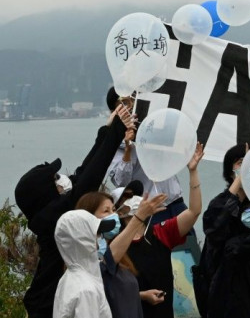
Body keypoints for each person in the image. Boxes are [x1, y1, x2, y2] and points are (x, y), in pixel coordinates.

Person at [15, 104, 135, 318]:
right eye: (55, 180)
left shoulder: (51, 212)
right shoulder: (53, 219)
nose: (63, 179)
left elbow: (81, 175)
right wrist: (116, 129)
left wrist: (106, 131)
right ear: (45, 194)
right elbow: (88, 182)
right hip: (47, 307)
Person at [120, 142, 204, 318]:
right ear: (117, 210)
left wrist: (193, 171)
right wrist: (141, 296)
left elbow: (194, 211)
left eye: (135, 194)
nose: (134, 199)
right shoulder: (113, 244)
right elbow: (106, 288)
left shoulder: (159, 232)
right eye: (126, 197)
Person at [75, 191, 168, 318]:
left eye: (113, 210)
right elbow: (107, 264)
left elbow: (112, 293)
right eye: (106, 211)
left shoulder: (115, 250)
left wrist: (141, 295)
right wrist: (139, 216)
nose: (113, 215)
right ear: (88, 218)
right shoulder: (85, 259)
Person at [104, 88, 186, 224]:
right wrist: (128, 150)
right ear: (114, 112)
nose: (131, 107)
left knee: (188, 244)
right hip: (149, 210)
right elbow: (122, 183)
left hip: (176, 202)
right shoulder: (112, 143)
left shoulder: (153, 126)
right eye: (124, 103)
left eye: (133, 100)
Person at [195, 144, 250, 317]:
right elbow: (214, 228)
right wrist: (239, 182)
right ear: (230, 170)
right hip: (221, 291)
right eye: (241, 162)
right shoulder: (219, 202)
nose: (246, 167)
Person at [52, 209, 118, 318]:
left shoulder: (68, 278)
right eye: (97, 234)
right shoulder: (87, 291)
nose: (100, 239)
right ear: (84, 240)